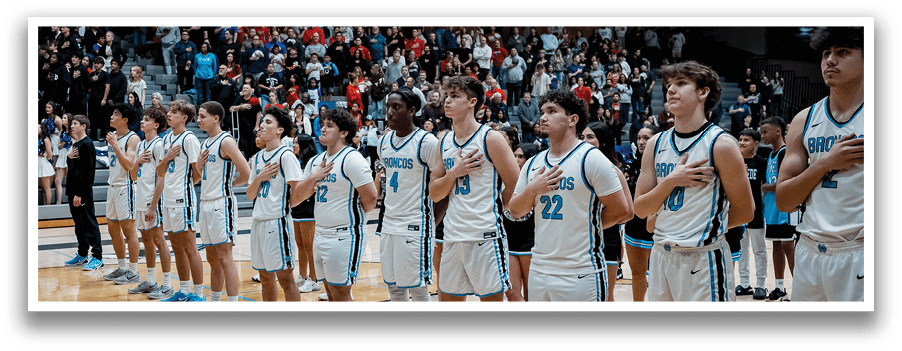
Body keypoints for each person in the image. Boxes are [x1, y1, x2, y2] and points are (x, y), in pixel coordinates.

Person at [633, 61, 754, 302]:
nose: (670, 90)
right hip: (660, 255)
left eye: (681, 83)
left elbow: (745, 211)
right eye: (669, 84)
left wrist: (698, 228)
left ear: (703, 92)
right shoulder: (656, 144)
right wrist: (671, 181)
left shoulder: (721, 145)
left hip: (703, 258)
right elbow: (641, 208)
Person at [507, 90, 631, 302]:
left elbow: (623, 211)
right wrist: (532, 190)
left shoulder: (591, 159)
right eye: (542, 111)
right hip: (539, 268)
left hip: (580, 270)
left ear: (573, 119)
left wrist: (584, 226)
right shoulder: (532, 163)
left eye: (552, 111)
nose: (543, 117)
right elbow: (516, 210)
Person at [775, 27, 864, 301]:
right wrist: (825, 163)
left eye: (842, 52)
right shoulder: (804, 119)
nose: (830, 60)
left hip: (860, 250)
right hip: (809, 250)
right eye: (826, 53)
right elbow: (784, 200)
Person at [428, 76, 521, 301]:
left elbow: (516, 186)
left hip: (485, 236)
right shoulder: (444, 142)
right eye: (447, 96)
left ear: (472, 102)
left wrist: (493, 211)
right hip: (452, 236)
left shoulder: (491, 139)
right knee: (447, 301)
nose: (447, 101)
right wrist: (453, 173)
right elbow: (434, 192)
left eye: (455, 96)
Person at [294, 107, 378, 301]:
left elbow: (371, 199)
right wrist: (313, 178)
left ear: (344, 133)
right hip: (321, 233)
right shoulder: (315, 161)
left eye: (329, 126)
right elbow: (297, 197)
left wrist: (356, 218)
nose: (322, 129)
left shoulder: (352, 159)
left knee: (341, 295)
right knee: (329, 295)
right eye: (323, 125)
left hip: (344, 235)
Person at [375, 89, 446, 302]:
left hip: (415, 224)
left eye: (396, 107)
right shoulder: (384, 142)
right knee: (394, 287)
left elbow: (443, 191)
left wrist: (431, 223)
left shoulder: (427, 143)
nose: (390, 112)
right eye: (388, 107)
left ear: (412, 110)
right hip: (388, 223)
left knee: (418, 288)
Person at [146, 99, 206, 302]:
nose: (168, 114)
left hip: (183, 199)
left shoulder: (189, 139)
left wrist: (186, 186)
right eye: (169, 111)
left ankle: (198, 294)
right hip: (167, 199)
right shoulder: (165, 140)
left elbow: (197, 173)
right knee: (177, 248)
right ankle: (183, 291)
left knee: (189, 247)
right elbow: (159, 171)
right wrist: (167, 157)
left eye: (173, 112)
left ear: (184, 118)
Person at [192, 101, 252, 301]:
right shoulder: (204, 143)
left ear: (216, 118)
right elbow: (200, 178)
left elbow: (246, 173)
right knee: (212, 258)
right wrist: (198, 167)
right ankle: (215, 301)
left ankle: (233, 302)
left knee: (225, 258)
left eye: (202, 116)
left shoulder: (226, 141)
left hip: (221, 204)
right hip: (205, 203)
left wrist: (228, 184)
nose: (198, 120)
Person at [245, 106, 304, 302]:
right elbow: (250, 194)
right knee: (265, 277)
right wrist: (260, 177)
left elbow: (299, 191)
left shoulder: (286, 156)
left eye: (268, 122)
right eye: (262, 121)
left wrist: (284, 208)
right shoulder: (259, 157)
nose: (262, 125)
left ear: (280, 130)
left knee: (286, 279)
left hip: (277, 223)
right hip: (258, 222)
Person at [580, 120, 634, 301]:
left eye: (590, 137)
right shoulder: (575, 167)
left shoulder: (612, 170)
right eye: (582, 137)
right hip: (578, 242)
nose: (584, 141)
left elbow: (629, 212)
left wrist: (594, 226)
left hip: (606, 241)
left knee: (605, 296)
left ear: (602, 142)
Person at [126, 108, 174, 298]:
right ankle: (151, 281)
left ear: (156, 124)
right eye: (142, 119)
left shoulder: (159, 145)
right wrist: (136, 162)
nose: (142, 122)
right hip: (140, 197)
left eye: (146, 120)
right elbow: (132, 175)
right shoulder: (140, 146)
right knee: (146, 240)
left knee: (159, 240)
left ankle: (168, 284)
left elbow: (162, 178)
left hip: (152, 200)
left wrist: (153, 206)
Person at [98, 103, 143, 287]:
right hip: (113, 185)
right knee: (112, 228)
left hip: (126, 186)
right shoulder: (114, 136)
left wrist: (115, 146)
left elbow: (129, 165)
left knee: (128, 229)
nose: (111, 117)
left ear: (125, 119)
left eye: (115, 114)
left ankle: (133, 271)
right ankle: (122, 267)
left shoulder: (133, 139)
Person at [759, 117, 798, 301]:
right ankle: (779, 287)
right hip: (772, 208)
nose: (762, 135)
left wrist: (767, 187)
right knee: (775, 246)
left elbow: (785, 182)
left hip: (785, 208)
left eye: (765, 131)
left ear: (778, 132)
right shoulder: (771, 154)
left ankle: (798, 288)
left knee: (788, 245)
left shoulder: (785, 153)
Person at [621, 123, 661, 301]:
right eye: (639, 138)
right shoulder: (630, 164)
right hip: (634, 224)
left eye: (646, 138)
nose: (641, 142)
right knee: (637, 274)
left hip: (656, 224)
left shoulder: (662, 164)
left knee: (658, 276)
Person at [62, 115, 105, 270]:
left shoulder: (87, 144)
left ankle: (98, 257)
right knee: (78, 224)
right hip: (72, 190)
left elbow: (88, 171)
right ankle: (82, 254)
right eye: (71, 123)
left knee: (89, 223)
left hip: (82, 191)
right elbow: (75, 168)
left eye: (75, 124)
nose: (72, 126)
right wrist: (68, 158)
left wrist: (80, 193)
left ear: (83, 126)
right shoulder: (76, 144)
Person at [734, 128, 769, 300]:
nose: (741, 143)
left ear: (755, 143)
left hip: (755, 212)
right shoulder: (734, 161)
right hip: (737, 212)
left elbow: (767, 186)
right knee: (741, 249)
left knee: (759, 250)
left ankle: (761, 285)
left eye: (745, 140)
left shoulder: (762, 162)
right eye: (740, 139)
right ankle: (745, 282)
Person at [503, 142, 539, 301]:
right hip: (508, 241)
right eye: (514, 156)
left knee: (532, 294)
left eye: (521, 156)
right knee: (511, 293)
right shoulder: (502, 179)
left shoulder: (536, 181)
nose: (516, 160)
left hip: (530, 242)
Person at [292, 133, 321, 294]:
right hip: (297, 205)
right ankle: (302, 276)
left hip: (309, 206)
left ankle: (314, 279)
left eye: (296, 143)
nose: (294, 145)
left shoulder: (313, 161)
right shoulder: (295, 161)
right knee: (300, 244)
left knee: (309, 246)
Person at [230, 83, 263, 159]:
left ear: (250, 90)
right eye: (243, 88)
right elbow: (231, 108)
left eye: (246, 88)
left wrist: (257, 126)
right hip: (242, 127)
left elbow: (258, 112)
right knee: (246, 148)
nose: (244, 89)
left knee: (254, 147)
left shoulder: (254, 99)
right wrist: (241, 106)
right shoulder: (239, 99)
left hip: (253, 127)